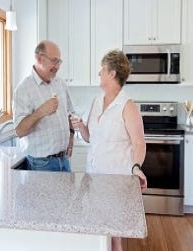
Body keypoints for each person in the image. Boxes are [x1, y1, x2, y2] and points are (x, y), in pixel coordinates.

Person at [70, 49, 147, 251]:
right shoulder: (96, 101)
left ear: (112, 73)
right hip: (94, 178)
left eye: (102, 70)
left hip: (116, 180)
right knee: (98, 229)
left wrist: (136, 167)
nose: (99, 74)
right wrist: (81, 126)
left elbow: (139, 143)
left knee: (114, 235)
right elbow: (89, 138)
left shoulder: (128, 106)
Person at [13, 40, 75, 172]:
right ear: (39, 58)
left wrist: (71, 136)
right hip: (41, 164)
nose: (57, 66)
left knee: (67, 194)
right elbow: (19, 131)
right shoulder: (24, 89)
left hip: (64, 160)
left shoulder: (60, 83)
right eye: (54, 60)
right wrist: (41, 111)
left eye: (59, 62)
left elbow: (70, 114)